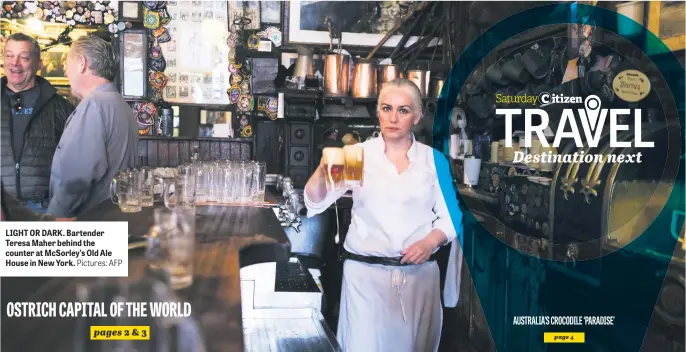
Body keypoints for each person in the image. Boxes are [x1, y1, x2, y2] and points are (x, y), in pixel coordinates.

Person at [304, 78, 464, 352]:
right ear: (377, 111)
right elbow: (315, 201)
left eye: (403, 110)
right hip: (366, 279)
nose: (393, 117)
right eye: (386, 108)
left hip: (419, 280)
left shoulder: (433, 160)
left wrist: (430, 243)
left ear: (417, 116)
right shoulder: (356, 156)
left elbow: (453, 216)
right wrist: (322, 170)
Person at [47, 35, 138, 218]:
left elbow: (77, 179)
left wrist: (54, 216)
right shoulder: (118, 103)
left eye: (67, 64)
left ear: (81, 63)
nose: (65, 72)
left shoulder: (95, 105)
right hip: (112, 217)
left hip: (86, 222)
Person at [1, 32, 73, 214]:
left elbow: (75, 163)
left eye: (23, 57)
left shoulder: (60, 107)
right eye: (9, 55)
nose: (14, 63)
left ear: (39, 64)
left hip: (43, 211)